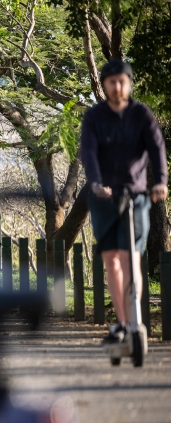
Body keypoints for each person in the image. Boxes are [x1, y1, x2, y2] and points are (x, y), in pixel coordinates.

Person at [80, 59, 167, 345]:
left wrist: (160, 182)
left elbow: (156, 148)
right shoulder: (94, 116)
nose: (117, 87)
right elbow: (89, 152)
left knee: (132, 258)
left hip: (136, 195)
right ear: (104, 85)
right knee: (112, 260)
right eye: (112, 82)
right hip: (103, 196)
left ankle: (134, 322)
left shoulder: (141, 114)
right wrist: (95, 182)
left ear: (129, 83)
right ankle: (122, 323)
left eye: (122, 81)